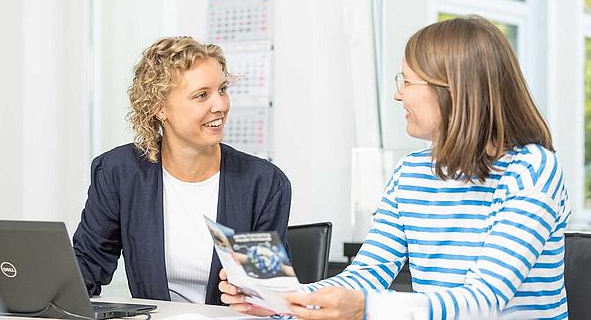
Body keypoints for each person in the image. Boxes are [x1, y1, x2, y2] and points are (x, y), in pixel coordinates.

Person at [219, 16, 571, 319]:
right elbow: (367, 275)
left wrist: (365, 309)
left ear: (451, 91)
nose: (397, 95)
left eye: (407, 81)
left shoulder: (532, 169)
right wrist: (285, 302)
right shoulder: (412, 172)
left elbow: (482, 303)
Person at [72, 36, 292, 306]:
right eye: (202, 95)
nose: (220, 105)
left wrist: (256, 292)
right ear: (159, 107)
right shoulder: (120, 173)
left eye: (222, 89)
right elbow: (86, 267)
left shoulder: (262, 183)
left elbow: (266, 297)